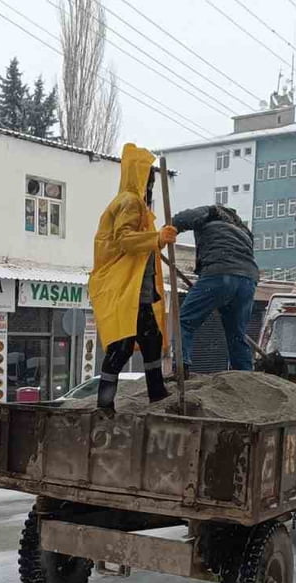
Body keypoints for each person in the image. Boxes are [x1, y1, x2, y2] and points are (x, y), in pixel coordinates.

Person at [88, 143, 178, 410]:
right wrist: (157, 237)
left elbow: (139, 247)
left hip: (137, 290)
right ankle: (105, 404)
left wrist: (158, 241)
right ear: (139, 176)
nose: (150, 183)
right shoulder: (128, 201)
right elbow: (125, 241)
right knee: (122, 346)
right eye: (148, 177)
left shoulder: (137, 205)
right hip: (124, 289)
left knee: (150, 341)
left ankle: (156, 392)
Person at [171, 203, 260, 374]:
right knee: (236, 333)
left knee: (185, 321)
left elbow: (184, 217)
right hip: (248, 280)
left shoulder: (211, 212)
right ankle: (245, 375)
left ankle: (181, 366)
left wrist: (171, 228)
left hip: (219, 273)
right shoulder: (244, 231)